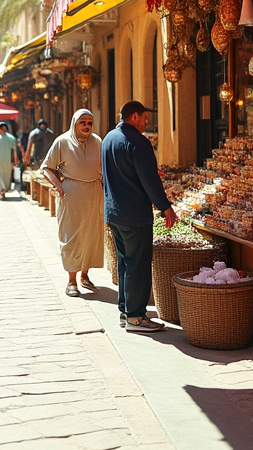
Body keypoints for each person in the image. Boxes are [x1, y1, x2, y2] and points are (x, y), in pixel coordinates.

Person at [102, 100, 177, 333]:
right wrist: (166, 206)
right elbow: (150, 179)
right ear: (134, 117)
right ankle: (136, 317)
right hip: (134, 215)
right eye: (144, 118)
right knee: (138, 265)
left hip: (114, 213)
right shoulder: (138, 142)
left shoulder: (108, 139)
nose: (146, 122)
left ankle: (126, 311)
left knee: (126, 263)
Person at [41, 109, 105, 297]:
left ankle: (85, 275)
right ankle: (71, 280)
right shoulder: (62, 142)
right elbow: (47, 168)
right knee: (72, 237)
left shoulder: (98, 142)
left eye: (90, 123)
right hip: (71, 195)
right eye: (82, 122)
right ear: (74, 123)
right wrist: (59, 187)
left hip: (93, 193)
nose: (86, 126)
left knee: (91, 235)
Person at [0, 121, 18, 200]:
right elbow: (14, 151)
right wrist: (15, 161)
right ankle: (4, 190)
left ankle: (2, 191)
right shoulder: (12, 138)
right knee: (6, 177)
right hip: (8, 162)